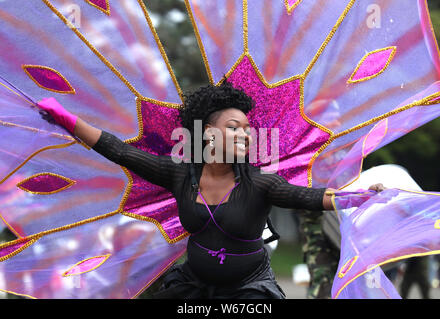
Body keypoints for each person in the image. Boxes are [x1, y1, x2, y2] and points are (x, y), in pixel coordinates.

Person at [36, 80, 384, 299]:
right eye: (234, 128)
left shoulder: (260, 183)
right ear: (207, 134)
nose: (245, 135)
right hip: (192, 285)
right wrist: (67, 120)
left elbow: (308, 197)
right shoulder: (179, 174)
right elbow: (120, 151)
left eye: (248, 130)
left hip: (250, 291)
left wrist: (357, 196)